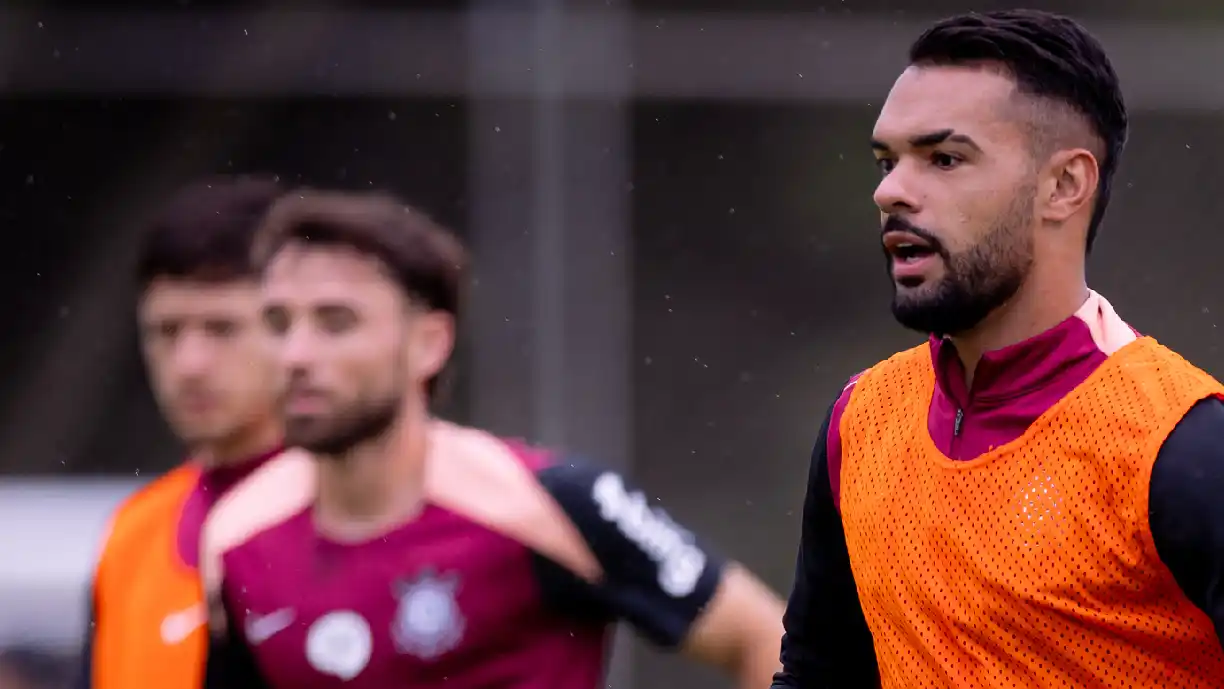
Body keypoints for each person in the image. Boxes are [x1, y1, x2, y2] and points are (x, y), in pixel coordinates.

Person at [772, 9, 1224, 689]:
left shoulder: (1183, 447)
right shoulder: (859, 422)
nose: (890, 190)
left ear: (1065, 185)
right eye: (887, 161)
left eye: (944, 158)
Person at [200, 190, 785, 688]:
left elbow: (764, 640)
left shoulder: (551, 504)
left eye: (336, 323)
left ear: (429, 343)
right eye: (278, 324)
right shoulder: (234, 537)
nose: (296, 355)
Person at [79, 177, 286, 689]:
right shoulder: (133, 534)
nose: (188, 364)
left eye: (222, 329)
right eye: (166, 331)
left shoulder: (361, 519)